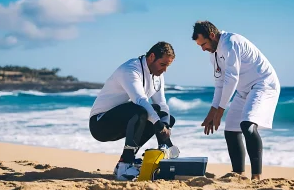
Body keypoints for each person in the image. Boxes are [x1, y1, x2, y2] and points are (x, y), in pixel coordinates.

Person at [191, 21, 280, 180]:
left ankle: (256, 177)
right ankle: (238, 173)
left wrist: (221, 110)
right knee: (231, 129)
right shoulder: (214, 54)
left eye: (203, 44)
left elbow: (231, 78)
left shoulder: (230, 42)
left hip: (262, 84)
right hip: (244, 89)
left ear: (212, 35)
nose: (203, 49)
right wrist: (212, 111)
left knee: (247, 124)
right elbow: (219, 83)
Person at [89, 41, 180, 181]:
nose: (164, 70)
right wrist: (158, 125)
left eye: (168, 66)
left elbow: (161, 103)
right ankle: (124, 167)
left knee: (164, 117)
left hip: (124, 121)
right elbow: (140, 100)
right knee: (142, 112)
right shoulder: (131, 69)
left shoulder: (157, 75)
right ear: (151, 57)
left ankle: (128, 160)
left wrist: (165, 125)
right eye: (162, 64)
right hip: (100, 124)